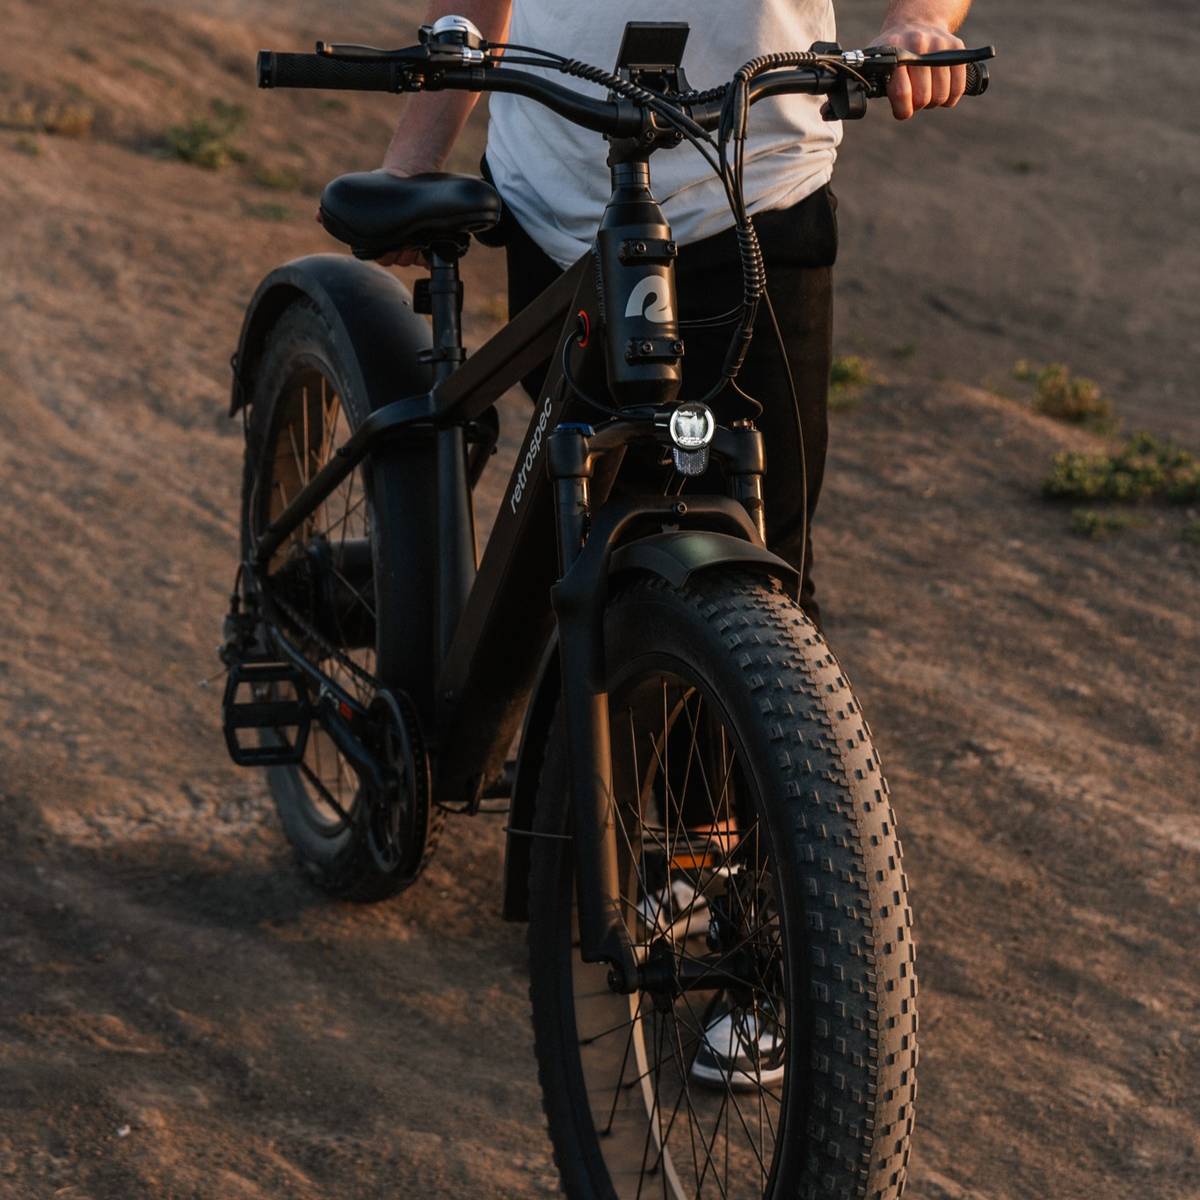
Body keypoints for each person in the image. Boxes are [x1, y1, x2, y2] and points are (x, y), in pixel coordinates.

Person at [373, 1, 974, 626]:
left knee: (768, 579)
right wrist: (414, 157)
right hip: (554, 206)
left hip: (753, 194)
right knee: (593, 562)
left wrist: (921, 20)